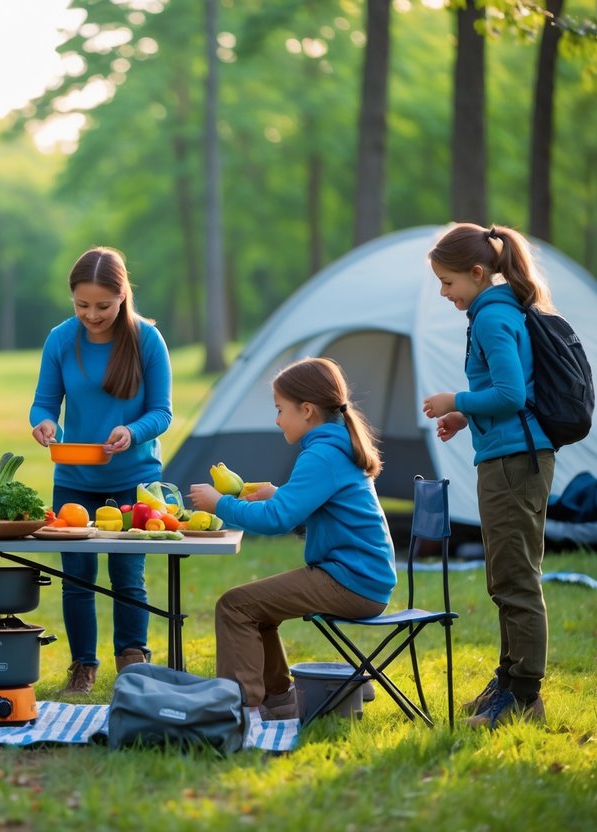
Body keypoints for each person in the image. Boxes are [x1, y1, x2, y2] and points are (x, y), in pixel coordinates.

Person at [188, 357, 395, 720]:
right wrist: (279, 493)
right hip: (361, 576)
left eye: (280, 409)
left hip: (351, 581)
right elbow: (305, 504)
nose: (277, 419)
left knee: (235, 606)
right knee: (256, 609)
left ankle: (240, 709)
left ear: (308, 410)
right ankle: (278, 699)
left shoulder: (321, 455)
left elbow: (276, 520)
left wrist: (220, 503)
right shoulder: (335, 446)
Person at [422, 223, 556, 728]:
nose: (444, 292)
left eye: (448, 281)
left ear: (477, 273)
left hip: (514, 464)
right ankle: (509, 679)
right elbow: (505, 395)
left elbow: (512, 395)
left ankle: (523, 698)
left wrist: (455, 399)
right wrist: (465, 416)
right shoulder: (493, 311)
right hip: (509, 456)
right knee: (505, 575)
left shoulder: (493, 320)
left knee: (516, 579)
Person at [29, 247, 173, 696]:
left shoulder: (147, 339)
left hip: (135, 481)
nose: (92, 315)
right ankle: (83, 666)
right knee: (77, 578)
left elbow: (162, 412)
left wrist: (132, 432)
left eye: (103, 306)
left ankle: (133, 662)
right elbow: (44, 401)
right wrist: (44, 422)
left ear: (122, 295)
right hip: (75, 478)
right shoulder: (60, 339)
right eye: (82, 305)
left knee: (128, 575)